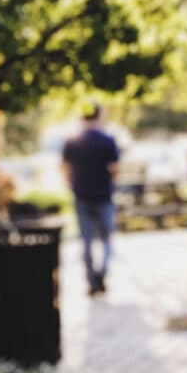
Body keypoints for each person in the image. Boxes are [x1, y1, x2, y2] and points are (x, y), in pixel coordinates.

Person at [62, 103, 120, 296]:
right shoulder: (107, 141)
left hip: (81, 196)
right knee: (106, 240)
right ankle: (102, 271)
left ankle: (91, 281)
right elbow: (115, 169)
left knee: (85, 241)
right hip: (104, 196)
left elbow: (64, 168)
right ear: (99, 116)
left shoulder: (72, 142)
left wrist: (72, 184)